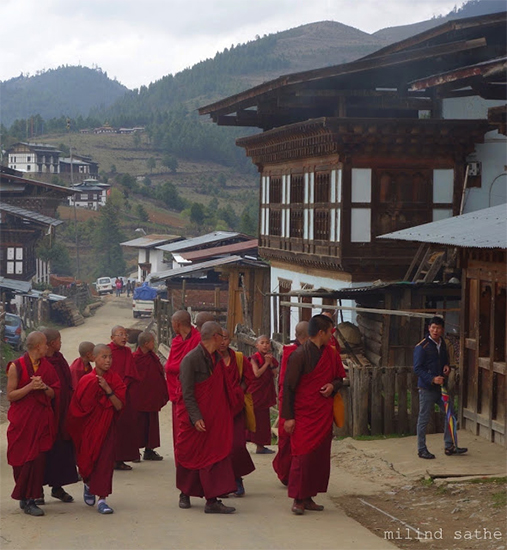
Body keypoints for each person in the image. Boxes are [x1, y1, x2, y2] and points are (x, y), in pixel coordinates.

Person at [283, 314, 345, 515]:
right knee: (302, 457)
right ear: (321, 333)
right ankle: (297, 499)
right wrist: (289, 417)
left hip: (322, 413)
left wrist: (332, 385)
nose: (331, 337)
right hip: (303, 414)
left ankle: (308, 497)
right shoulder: (299, 355)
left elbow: (339, 379)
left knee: (318, 457)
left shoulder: (332, 354)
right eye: (330, 333)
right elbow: (288, 388)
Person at [176, 321, 236, 514]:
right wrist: (195, 418)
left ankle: (212, 500)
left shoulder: (216, 357)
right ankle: (185, 493)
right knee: (190, 453)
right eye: (222, 336)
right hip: (197, 418)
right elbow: (187, 393)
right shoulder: (190, 359)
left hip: (214, 417)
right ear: (215, 337)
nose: (224, 340)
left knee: (214, 456)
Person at [6, 332, 60, 516]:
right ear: (38, 346)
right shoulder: (17, 366)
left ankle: (31, 498)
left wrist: (44, 387)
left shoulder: (47, 367)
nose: (47, 348)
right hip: (22, 422)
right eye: (45, 344)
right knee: (21, 461)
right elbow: (10, 396)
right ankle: (23, 497)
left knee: (37, 459)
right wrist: (30, 387)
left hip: (40, 421)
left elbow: (54, 393)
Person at [68, 344, 126, 514]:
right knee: (87, 461)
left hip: (106, 429)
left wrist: (108, 390)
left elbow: (119, 406)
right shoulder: (86, 380)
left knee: (105, 463)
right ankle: (87, 483)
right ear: (94, 359)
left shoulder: (115, 380)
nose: (108, 361)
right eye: (104, 357)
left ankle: (102, 499)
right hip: (88, 430)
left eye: (110, 357)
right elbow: (77, 409)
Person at [414, 316, 467, 459]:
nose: (435, 330)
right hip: (427, 388)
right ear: (429, 328)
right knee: (423, 419)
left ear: (442, 330)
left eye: (438, 328)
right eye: (433, 327)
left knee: (451, 414)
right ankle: (421, 449)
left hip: (441, 388)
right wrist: (432, 379)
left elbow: (444, 361)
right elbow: (417, 369)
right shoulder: (422, 346)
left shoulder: (442, 343)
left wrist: (446, 367)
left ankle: (449, 446)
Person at [164, 310, 201, 508]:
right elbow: (172, 366)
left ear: (177, 323)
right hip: (180, 396)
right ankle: (185, 490)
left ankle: (209, 491)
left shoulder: (197, 340)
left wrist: (176, 367)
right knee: (182, 442)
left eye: (172, 322)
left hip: (198, 397)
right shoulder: (178, 341)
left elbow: (179, 366)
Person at [40, 329, 79, 504]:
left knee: (61, 450)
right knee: (42, 452)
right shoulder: (39, 362)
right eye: (59, 340)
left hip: (62, 412)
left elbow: (68, 384)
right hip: (45, 414)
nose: (61, 343)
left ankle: (57, 487)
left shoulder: (59, 359)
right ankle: (37, 490)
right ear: (51, 343)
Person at [219, 329, 255, 497]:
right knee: (219, 448)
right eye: (219, 339)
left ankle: (237, 478)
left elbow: (248, 379)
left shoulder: (239, 359)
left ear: (229, 340)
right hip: (217, 410)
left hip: (236, 409)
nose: (222, 342)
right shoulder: (210, 359)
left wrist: (236, 392)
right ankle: (223, 483)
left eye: (225, 339)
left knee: (237, 446)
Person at [273, 321, 309, 486]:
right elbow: (286, 383)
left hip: (302, 400)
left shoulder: (302, 351)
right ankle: (286, 473)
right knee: (287, 439)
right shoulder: (292, 352)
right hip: (289, 399)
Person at [132, 332, 169, 461]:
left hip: (152, 397)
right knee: (137, 424)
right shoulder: (135, 358)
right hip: (139, 398)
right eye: (153, 341)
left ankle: (149, 450)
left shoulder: (152, 357)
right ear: (146, 343)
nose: (154, 344)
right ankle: (134, 452)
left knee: (151, 425)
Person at [108, 325, 141, 470]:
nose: (124, 337)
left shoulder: (128, 351)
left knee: (125, 426)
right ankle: (108, 458)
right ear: (112, 338)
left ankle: (120, 458)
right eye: (120, 334)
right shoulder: (107, 351)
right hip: (110, 393)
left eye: (125, 335)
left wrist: (124, 387)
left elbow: (131, 373)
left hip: (125, 393)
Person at [246, 335, 279, 454]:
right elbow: (257, 374)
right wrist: (266, 363)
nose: (265, 345)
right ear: (257, 345)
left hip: (264, 394)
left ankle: (260, 447)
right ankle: (243, 443)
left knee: (263, 421)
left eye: (267, 343)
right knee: (252, 418)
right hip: (255, 394)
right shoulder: (254, 358)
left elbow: (275, 374)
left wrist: (270, 364)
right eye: (262, 343)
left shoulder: (270, 358)